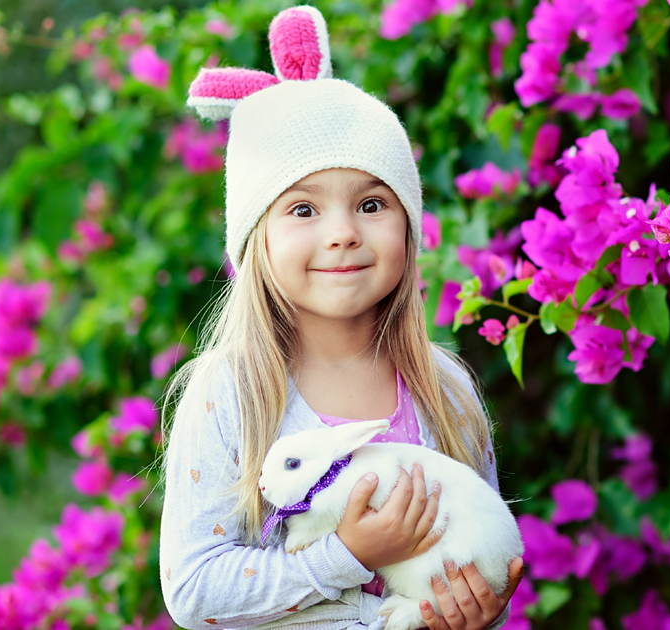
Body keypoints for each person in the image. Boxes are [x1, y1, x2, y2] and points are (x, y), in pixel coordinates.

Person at [157, 5, 524, 630]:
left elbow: (471, 558)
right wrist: (347, 556)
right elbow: (194, 592)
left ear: (408, 227)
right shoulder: (231, 395)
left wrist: (472, 609)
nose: (342, 235)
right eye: (302, 210)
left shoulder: (445, 392)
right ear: (255, 239)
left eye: (372, 203)